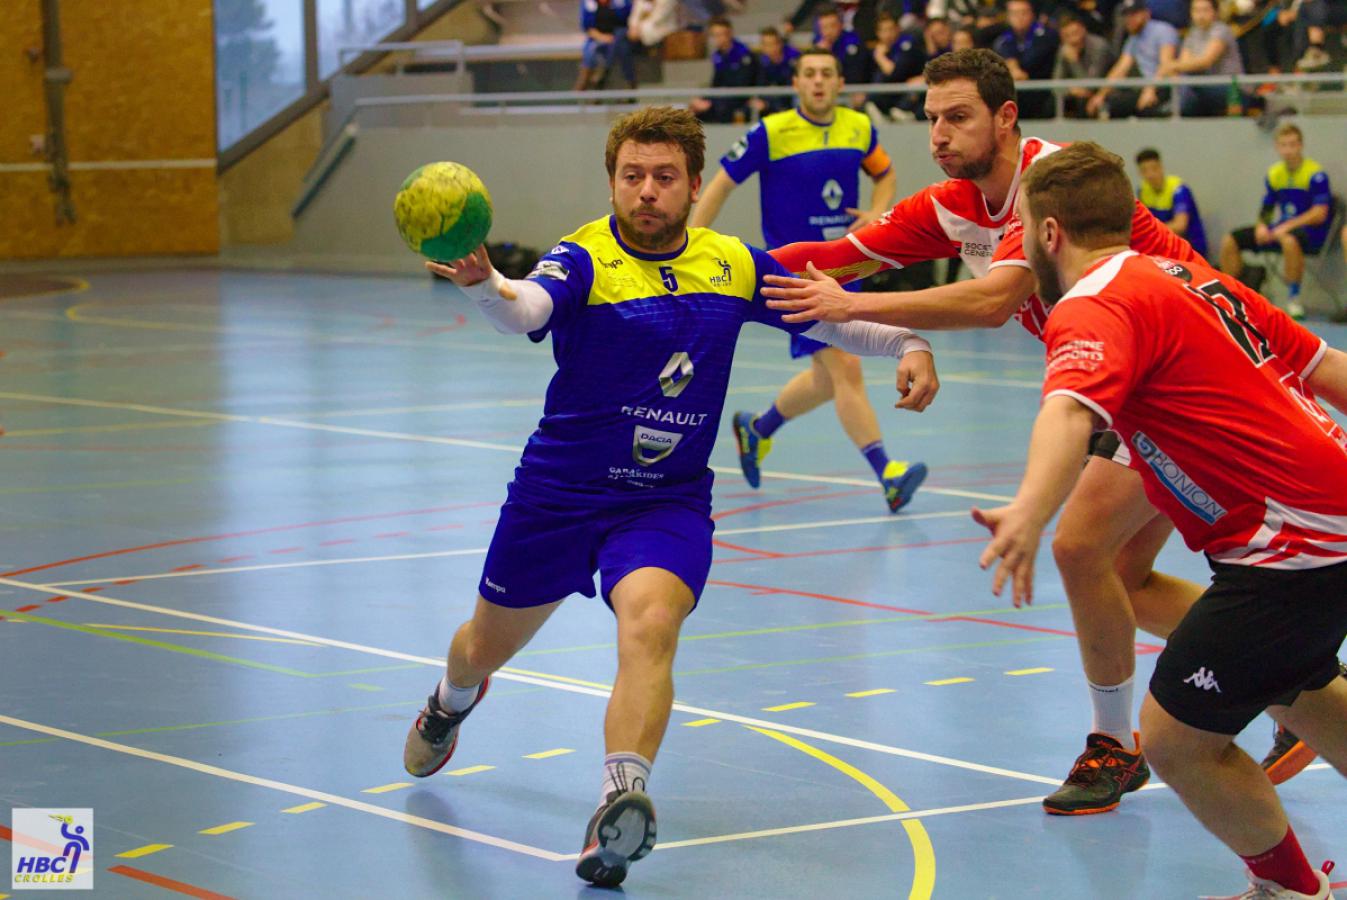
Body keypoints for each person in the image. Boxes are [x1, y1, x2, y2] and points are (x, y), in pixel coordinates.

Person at [406, 106, 940, 888]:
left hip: (664, 502)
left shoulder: (731, 263)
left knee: (651, 626)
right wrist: (486, 282)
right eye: (632, 177)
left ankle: (618, 804)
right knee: (482, 647)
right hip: (559, 492)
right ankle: (450, 703)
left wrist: (909, 342)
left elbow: (830, 318)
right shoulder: (582, 253)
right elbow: (529, 308)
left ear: (694, 185)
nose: (646, 192)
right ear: (612, 182)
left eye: (663, 178)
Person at [755, 48, 1234, 817]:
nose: (938, 135)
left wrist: (855, 310)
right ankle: (1295, 682)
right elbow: (835, 257)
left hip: (1192, 382)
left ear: (1005, 118)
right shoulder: (952, 203)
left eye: (957, 117)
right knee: (1122, 576)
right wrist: (703, 274)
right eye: (930, 119)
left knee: (1084, 550)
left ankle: (1130, 740)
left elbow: (990, 300)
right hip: (1135, 398)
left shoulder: (1052, 183)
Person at [976, 140, 1347, 900]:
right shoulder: (1192, 277)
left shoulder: (1093, 302)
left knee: (1178, 743)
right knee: (1301, 690)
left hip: (1290, 544)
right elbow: (1324, 367)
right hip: (1317, 516)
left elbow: (1068, 412)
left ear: (1048, 234)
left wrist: (1028, 507)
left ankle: (1289, 890)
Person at [690, 48, 929, 512]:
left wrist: (879, 211)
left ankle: (757, 430)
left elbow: (885, 173)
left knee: (827, 378)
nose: (818, 81)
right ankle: (889, 474)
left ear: (840, 82)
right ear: (796, 83)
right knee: (847, 369)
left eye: (827, 73)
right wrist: (695, 241)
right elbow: (720, 182)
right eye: (809, 74)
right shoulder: (771, 132)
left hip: (846, 269)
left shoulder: (858, 127)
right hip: (793, 276)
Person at [1219, 122, 1332, 321]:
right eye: (1284, 145)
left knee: (1289, 240)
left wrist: (1287, 226)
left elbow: (1320, 213)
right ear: (1277, 147)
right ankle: (1232, 296)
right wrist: (1263, 225)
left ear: (1301, 146)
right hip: (1279, 228)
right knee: (1230, 240)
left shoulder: (1316, 174)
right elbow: (1267, 208)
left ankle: (1293, 300)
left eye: (1293, 144)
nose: (1288, 150)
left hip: (1310, 232)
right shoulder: (1274, 173)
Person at [1085, 0, 1180, 120]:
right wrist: (1100, 95)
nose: (1129, 19)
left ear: (1146, 13)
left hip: (1165, 85)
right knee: (1110, 106)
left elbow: (1166, 65)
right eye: (1126, 15)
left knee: (1146, 108)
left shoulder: (1163, 30)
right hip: (1146, 86)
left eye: (1134, 14)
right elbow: (1121, 69)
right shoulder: (1133, 39)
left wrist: (1151, 89)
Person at [1156, 0, 1244, 118]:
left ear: (1215, 13)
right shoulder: (1193, 33)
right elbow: (1183, 64)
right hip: (1203, 87)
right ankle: (1175, 111)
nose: (1200, 15)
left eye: (1205, 10)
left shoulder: (1221, 30)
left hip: (1230, 88)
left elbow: (1206, 62)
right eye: (1196, 10)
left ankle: (1174, 110)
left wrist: (1170, 65)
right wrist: (1176, 67)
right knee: (1182, 81)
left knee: (1189, 83)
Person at [1135, 147, 1209, 259]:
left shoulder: (1178, 190)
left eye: (1154, 169)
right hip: (1163, 248)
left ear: (1161, 167)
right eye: (1144, 170)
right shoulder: (1142, 191)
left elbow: (1180, 225)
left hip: (1191, 248)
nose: (1150, 175)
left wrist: (1149, 232)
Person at [991, 0, 1060, 119]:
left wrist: (1015, 68)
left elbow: (1032, 60)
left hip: (1043, 94)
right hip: (1018, 97)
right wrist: (1013, 68)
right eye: (1015, 13)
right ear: (1008, 17)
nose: (1020, 17)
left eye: (1024, 13)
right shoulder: (1003, 39)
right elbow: (1004, 53)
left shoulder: (1046, 35)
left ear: (1032, 15)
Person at [690, 16, 757, 124]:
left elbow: (741, 87)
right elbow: (716, 84)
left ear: (729, 33)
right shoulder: (717, 56)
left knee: (719, 109)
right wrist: (703, 99)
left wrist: (711, 103)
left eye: (720, 34)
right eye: (714, 35)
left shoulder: (743, 54)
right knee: (694, 110)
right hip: (722, 100)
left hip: (738, 101)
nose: (718, 38)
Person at [1054, 12, 1116, 118]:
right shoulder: (1065, 49)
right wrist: (1070, 90)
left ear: (1083, 29)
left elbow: (1091, 85)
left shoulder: (1099, 46)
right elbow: (1055, 84)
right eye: (1067, 36)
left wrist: (1074, 62)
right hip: (1078, 93)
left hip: (1106, 93)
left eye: (1075, 33)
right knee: (1052, 104)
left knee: (1084, 103)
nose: (1073, 39)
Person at [576, 0, 637, 91]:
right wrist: (603, 37)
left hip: (620, 38)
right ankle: (585, 85)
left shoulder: (622, 3)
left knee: (621, 48)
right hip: (598, 38)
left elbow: (630, 20)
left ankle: (628, 84)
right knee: (591, 52)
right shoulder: (588, 3)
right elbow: (588, 27)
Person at [754, 27, 801, 115]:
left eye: (773, 44)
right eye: (766, 45)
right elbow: (761, 87)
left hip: (793, 102)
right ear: (762, 47)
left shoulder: (795, 58)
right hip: (772, 105)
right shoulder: (761, 63)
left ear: (780, 44)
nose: (771, 48)